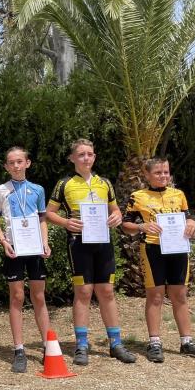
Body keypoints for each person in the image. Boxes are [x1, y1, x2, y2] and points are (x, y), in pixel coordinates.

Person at [45, 138, 136, 365]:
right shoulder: (64, 183)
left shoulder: (104, 183)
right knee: (83, 291)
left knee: (107, 291)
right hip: (78, 243)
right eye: (81, 154)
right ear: (72, 158)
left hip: (103, 242)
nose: (86, 158)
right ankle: (82, 345)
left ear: (94, 157)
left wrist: (116, 217)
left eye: (90, 154)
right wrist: (66, 223)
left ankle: (116, 344)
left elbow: (115, 210)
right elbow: (48, 213)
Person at [121, 158, 195, 362]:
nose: (163, 176)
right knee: (155, 296)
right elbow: (125, 225)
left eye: (166, 172)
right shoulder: (138, 196)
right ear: (146, 175)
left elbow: (187, 216)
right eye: (158, 173)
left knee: (180, 295)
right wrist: (141, 227)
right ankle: (154, 342)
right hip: (152, 249)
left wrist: (192, 223)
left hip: (178, 248)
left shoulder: (178, 194)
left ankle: (187, 342)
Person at [0, 147, 52, 373]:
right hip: (14, 248)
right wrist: (3, 242)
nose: (16, 166)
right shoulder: (0, 190)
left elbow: (42, 219)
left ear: (28, 163)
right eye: (11, 162)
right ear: (6, 166)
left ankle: (48, 346)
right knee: (17, 297)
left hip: (34, 247)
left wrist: (45, 243)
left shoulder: (38, 189)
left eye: (19, 161)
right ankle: (19, 349)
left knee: (39, 296)